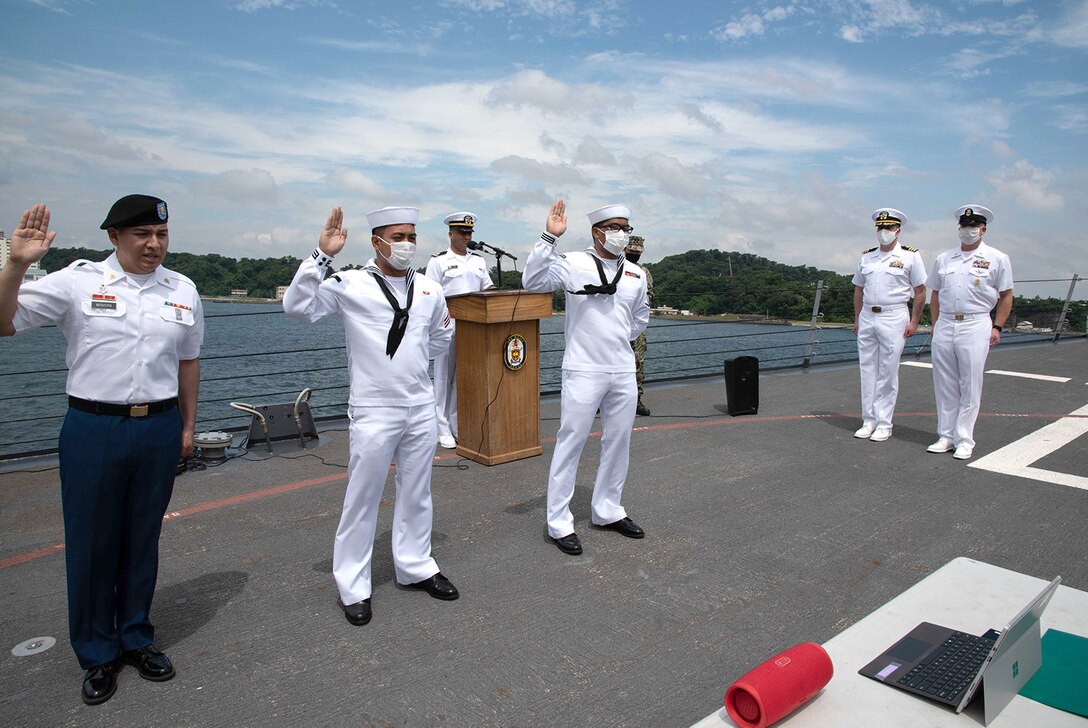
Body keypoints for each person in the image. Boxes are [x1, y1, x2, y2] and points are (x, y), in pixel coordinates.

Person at [0, 197, 202, 705]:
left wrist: (187, 426)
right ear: (113, 237)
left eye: (161, 234)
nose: (153, 244)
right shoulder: (77, 281)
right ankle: (96, 652)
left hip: (158, 426)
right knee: (92, 542)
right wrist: (17, 264)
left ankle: (136, 636)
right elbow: (4, 322)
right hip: (94, 426)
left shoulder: (183, 289)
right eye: (140, 235)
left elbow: (188, 362)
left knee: (142, 538)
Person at [283, 205, 459, 627]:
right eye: (398, 237)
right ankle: (353, 585)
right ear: (377, 241)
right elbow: (297, 306)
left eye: (412, 237)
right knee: (362, 498)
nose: (406, 245)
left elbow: (443, 335)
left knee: (417, 490)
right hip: (374, 408)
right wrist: (321, 257)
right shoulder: (350, 284)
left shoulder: (430, 288)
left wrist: (408, 363)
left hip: (418, 406)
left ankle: (416, 564)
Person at [522, 200, 650, 556]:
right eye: (615, 228)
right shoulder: (574, 262)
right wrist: (550, 236)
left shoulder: (636, 274)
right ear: (597, 232)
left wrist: (613, 339)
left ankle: (608, 510)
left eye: (625, 227)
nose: (622, 234)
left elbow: (639, 319)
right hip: (583, 368)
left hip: (622, 368)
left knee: (618, 441)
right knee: (571, 442)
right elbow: (532, 281)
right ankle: (559, 522)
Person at [926, 205, 1013, 460]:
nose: (968, 231)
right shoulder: (944, 258)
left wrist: (997, 326)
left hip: (975, 324)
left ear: (983, 229)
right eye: (964, 226)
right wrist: (935, 323)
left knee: (970, 383)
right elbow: (935, 293)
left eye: (973, 227)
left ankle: (964, 438)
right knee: (944, 383)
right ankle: (945, 435)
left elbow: (1006, 295)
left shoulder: (997, 258)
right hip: (945, 323)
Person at [851, 208, 926, 442]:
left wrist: (914, 321)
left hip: (894, 316)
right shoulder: (867, 257)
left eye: (889, 228)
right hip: (868, 316)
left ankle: (884, 423)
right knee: (867, 369)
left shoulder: (910, 256)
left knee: (887, 370)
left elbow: (921, 291)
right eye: (881, 228)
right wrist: (857, 317)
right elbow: (858, 289)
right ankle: (868, 420)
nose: (884, 232)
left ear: (898, 230)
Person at [425, 212, 495, 449]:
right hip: (447, 328)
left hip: (473, 329)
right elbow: (429, 297)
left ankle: (457, 424)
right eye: (462, 232)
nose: (467, 236)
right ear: (451, 233)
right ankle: (441, 427)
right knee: (443, 378)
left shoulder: (478, 261)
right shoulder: (438, 261)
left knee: (463, 379)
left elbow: (487, 288)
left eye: (470, 232)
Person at [624, 235, 654, 416]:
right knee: (607, 362)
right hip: (614, 325)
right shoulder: (614, 268)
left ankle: (636, 400)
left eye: (637, 252)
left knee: (637, 364)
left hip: (636, 326)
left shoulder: (643, 272)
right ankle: (602, 399)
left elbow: (649, 296)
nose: (634, 255)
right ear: (625, 249)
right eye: (632, 251)